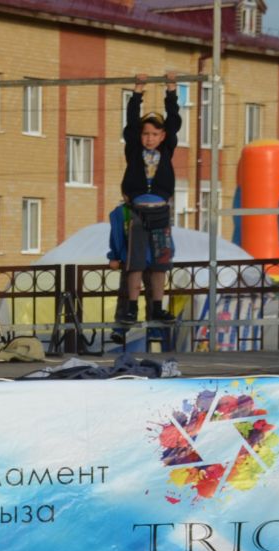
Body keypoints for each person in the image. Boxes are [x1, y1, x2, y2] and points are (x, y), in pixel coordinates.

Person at [113, 72, 182, 349]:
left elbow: (175, 121)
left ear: (163, 136)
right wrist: (137, 92)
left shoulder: (167, 149)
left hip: (161, 212)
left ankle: (157, 306)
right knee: (135, 261)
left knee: (160, 261)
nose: (149, 138)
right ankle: (131, 306)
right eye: (146, 134)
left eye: (155, 134)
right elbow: (130, 124)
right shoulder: (133, 149)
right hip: (138, 212)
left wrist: (171, 90)